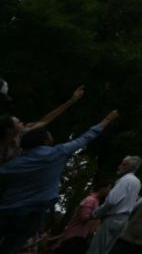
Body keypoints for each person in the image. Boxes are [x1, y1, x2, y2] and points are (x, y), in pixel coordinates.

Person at [0, 110, 118, 254]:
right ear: (43, 139)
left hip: (6, 208)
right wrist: (106, 120)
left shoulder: (13, 163)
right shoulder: (57, 153)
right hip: (32, 213)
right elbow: (85, 138)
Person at [1, 85, 84, 163]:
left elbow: (44, 121)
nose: (22, 123)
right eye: (18, 123)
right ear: (9, 130)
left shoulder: (22, 133)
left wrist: (70, 101)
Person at [88, 154, 142, 254]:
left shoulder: (125, 180)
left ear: (129, 166)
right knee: (106, 250)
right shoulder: (137, 182)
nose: (119, 166)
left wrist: (95, 214)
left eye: (123, 164)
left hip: (113, 218)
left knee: (96, 250)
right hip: (123, 220)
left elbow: (112, 201)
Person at [56, 182, 112, 254]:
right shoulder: (90, 200)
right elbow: (83, 218)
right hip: (73, 238)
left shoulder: (96, 201)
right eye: (109, 188)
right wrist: (97, 214)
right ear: (102, 188)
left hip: (81, 237)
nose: (110, 190)